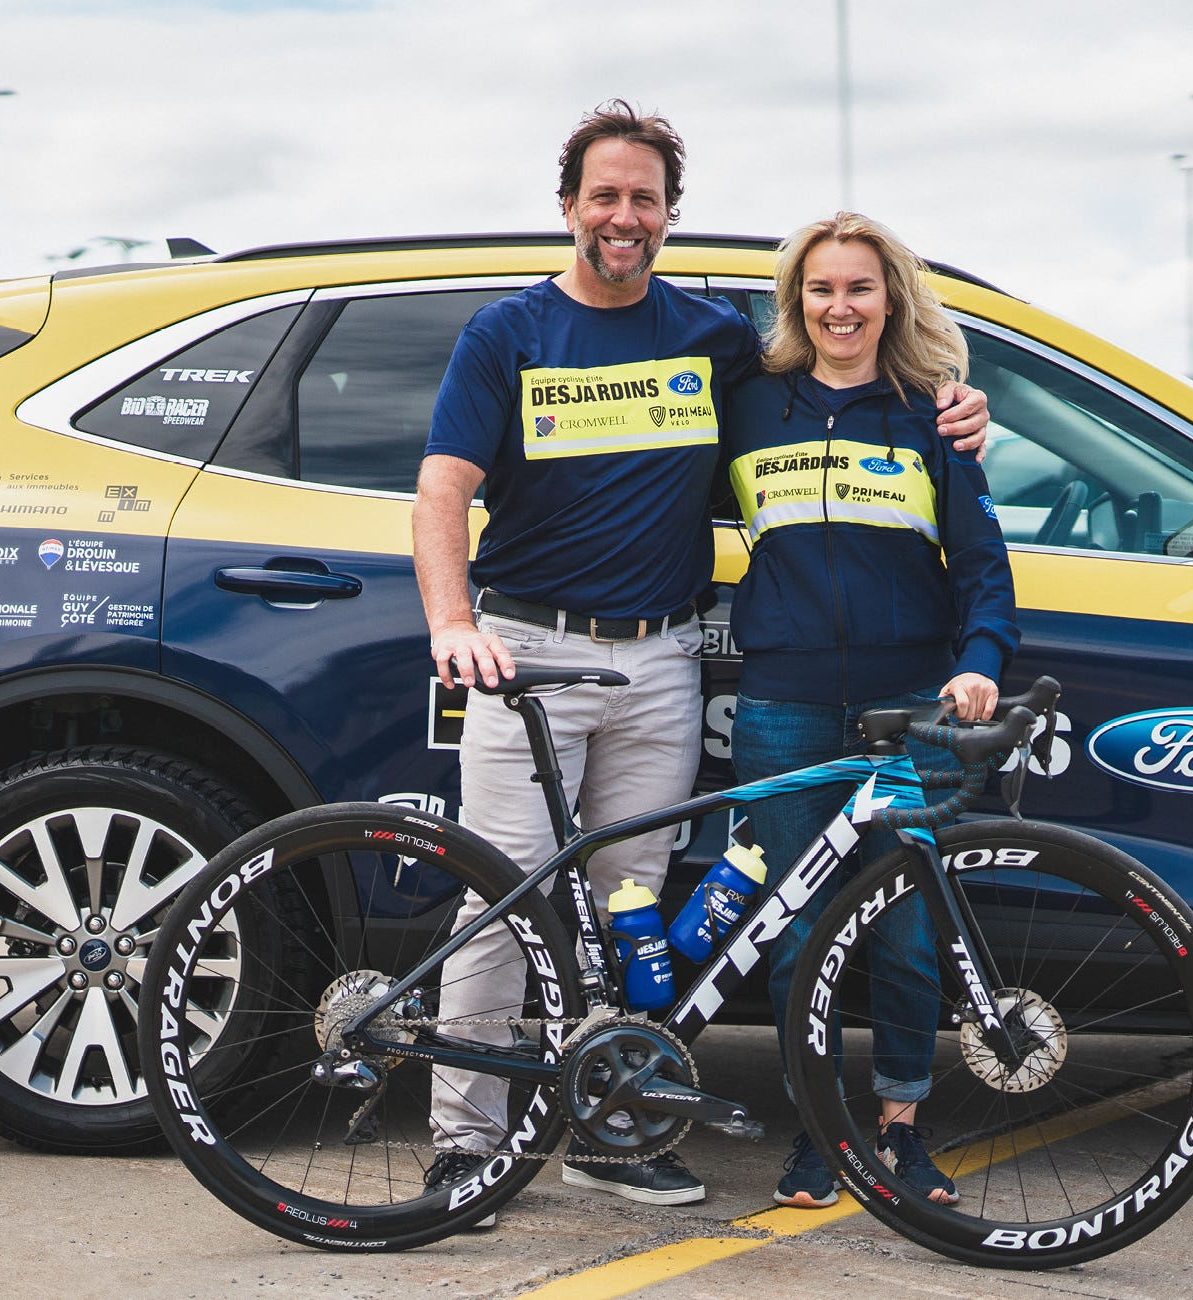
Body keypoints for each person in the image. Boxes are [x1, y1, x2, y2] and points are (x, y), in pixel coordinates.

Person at [412, 102, 989, 1213]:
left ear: (669, 215)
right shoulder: (507, 334)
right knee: (502, 901)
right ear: (568, 207)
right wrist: (450, 621)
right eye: (603, 196)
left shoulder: (712, 339)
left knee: (630, 901)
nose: (621, 217)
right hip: (525, 646)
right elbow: (444, 487)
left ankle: (613, 1125)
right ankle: (460, 1139)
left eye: (643, 198)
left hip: (663, 656)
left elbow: (818, 404)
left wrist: (955, 407)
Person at [723, 212, 1019, 1210]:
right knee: (798, 929)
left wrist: (979, 663)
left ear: (889, 296)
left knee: (898, 933)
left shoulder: (934, 412)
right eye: (819, 289)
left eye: (857, 288)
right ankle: (816, 1133)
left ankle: (900, 1129)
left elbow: (982, 566)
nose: (838, 306)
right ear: (793, 301)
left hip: (909, 702)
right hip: (780, 703)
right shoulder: (750, 405)